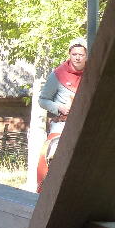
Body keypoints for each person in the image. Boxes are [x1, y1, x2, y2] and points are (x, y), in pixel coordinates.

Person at [36, 38, 88, 189]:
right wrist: (59, 107)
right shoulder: (58, 75)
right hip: (63, 124)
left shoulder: (92, 74)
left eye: (81, 55)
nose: (77, 58)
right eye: (74, 54)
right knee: (52, 152)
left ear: (86, 56)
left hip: (86, 124)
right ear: (69, 55)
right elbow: (43, 100)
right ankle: (47, 189)